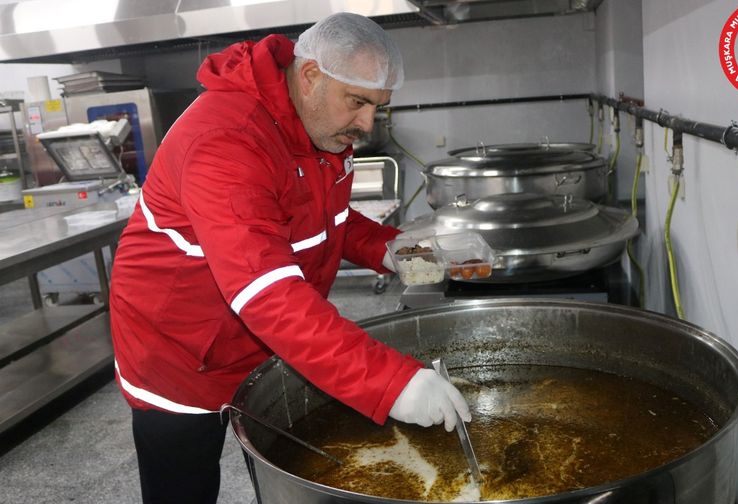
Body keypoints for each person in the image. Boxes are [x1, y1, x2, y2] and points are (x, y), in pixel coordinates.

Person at [109, 12, 470, 504]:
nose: (367, 123)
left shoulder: (315, 125)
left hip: (261, 344)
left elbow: (324, 219)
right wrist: (394, 382)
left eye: (377, 107)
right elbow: (268, 292)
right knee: (184, 486)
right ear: (310, 76)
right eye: (358, 102)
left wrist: (396, 252)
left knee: (269, 467)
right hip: (180, 356)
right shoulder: (227, 141)